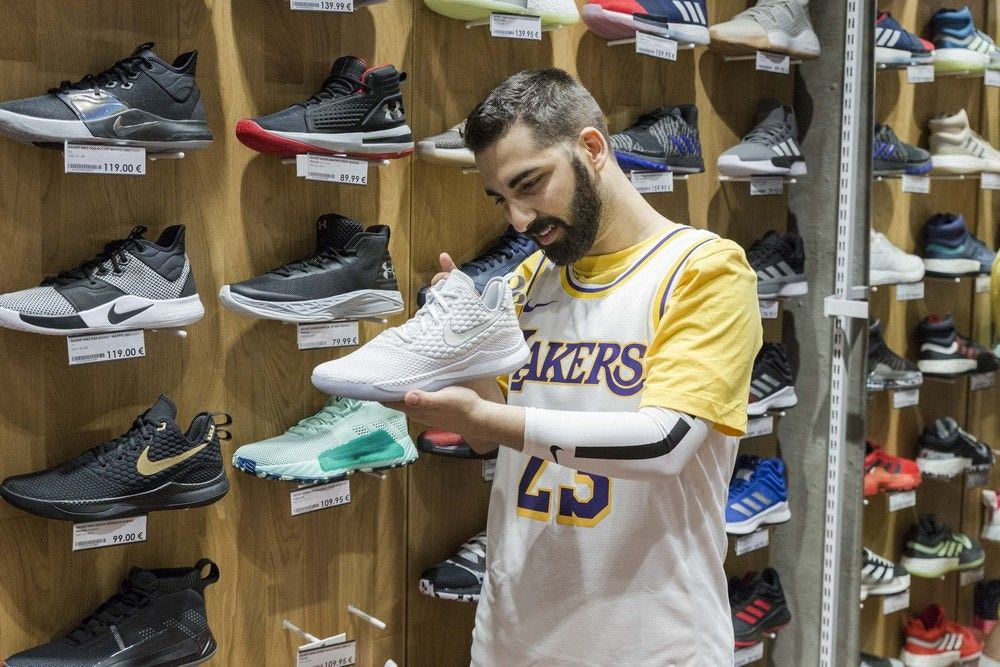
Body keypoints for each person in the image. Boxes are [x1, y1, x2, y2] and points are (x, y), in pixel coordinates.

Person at [393, 69, 762, 665]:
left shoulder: (705, 271)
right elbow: (489, 439)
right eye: (502, 199)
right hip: (510, 642)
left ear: (591, 148)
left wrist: (481, 416)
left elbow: (663, 445)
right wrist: (466, 347)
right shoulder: (527, 279)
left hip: (653, 648)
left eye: (529, 184)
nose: (518, 219)